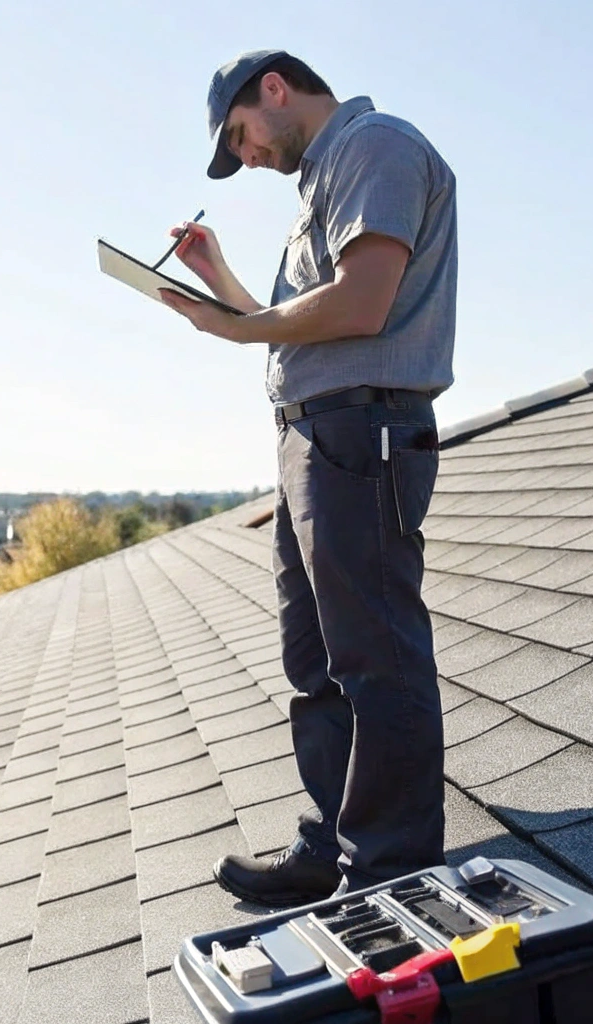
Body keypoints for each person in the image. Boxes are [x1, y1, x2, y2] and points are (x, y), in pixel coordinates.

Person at [160, 49, 458, 905]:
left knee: (376, 657)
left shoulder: (376, 148)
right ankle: (335, 845)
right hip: (314, 437)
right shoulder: (321, 184)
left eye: (241, 137)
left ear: (276, 90)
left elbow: (361, 305)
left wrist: (232, 329)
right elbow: (293, 326)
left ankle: (390, 866)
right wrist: (217, 283)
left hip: (360, 431)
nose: (245, 157)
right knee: (316, 661)